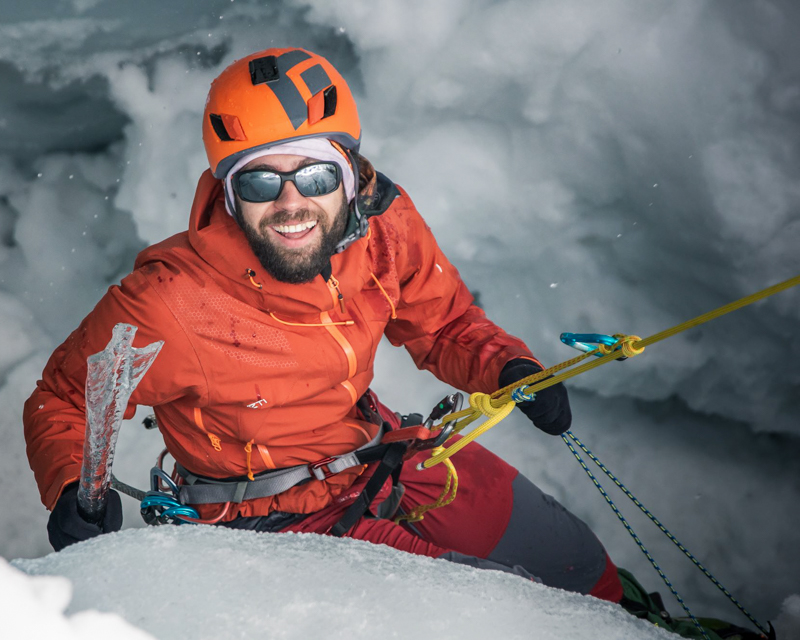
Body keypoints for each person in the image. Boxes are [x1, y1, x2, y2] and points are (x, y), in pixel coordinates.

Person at [23, 47, 622, 602]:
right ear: (229, 196)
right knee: (509, 611)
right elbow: (66, 396)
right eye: (259, 180)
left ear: (349, 175)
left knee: (574, 564)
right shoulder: (172, 302)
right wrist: (72, 487)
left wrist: (504, 363)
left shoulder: (383, 228)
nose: (290, 203)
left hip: (377, 452)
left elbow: (440, 322)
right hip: (272, 521)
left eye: (314, 176)